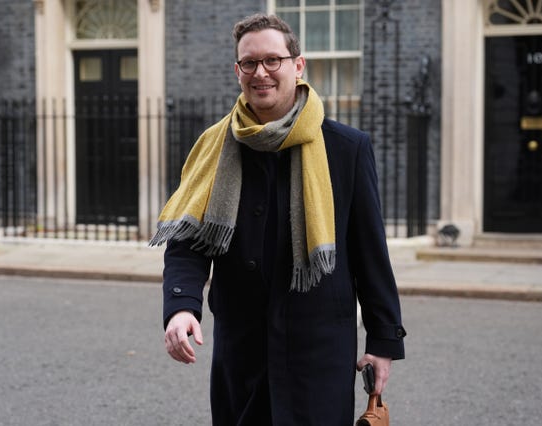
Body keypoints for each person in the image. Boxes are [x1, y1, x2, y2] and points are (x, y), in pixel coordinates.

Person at [151, 13, 406, 425]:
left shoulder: (346, 148)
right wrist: (182, 307)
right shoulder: (213, 148)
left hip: (318, 354)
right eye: (249, 63)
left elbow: (370, 253)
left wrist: (383, 341)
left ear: (297, 65)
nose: (261, 72)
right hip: (243, 354)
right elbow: (188, 242)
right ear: (237, 71)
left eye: (273, 60)